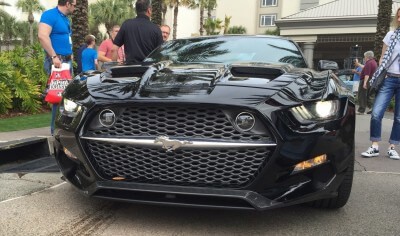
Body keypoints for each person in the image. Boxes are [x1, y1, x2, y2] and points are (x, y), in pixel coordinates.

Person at [361, 8, 400, 160]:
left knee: (399, 118)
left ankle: (392, 147)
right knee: (376, 113)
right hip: (389, 78)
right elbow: (383, 57)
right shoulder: (391, 35)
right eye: (398, 16)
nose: (399, 19)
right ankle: (374, 145)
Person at [38, 0, 76, 135]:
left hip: (65, 62)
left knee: (65, 96)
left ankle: (63, 127)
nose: (75, 7)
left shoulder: (64, 18)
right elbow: (42, 36)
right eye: (74, 4)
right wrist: (54, 56)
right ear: (67, 3)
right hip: (56, 62)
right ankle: (56, 130)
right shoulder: (50, 15)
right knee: (58, 97)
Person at [356, 51, 377, 115]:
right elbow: (364, 67)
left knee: (362, 95)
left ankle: (361, 110)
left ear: (367, 57)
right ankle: (371, 108)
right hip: (371, 80)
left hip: (366, 80)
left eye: (364, 56)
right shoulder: (373, 62)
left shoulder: (368, 63)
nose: (364, 58)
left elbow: (367, 74)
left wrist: (364, 83)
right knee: (369, 95)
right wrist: (358, 64)